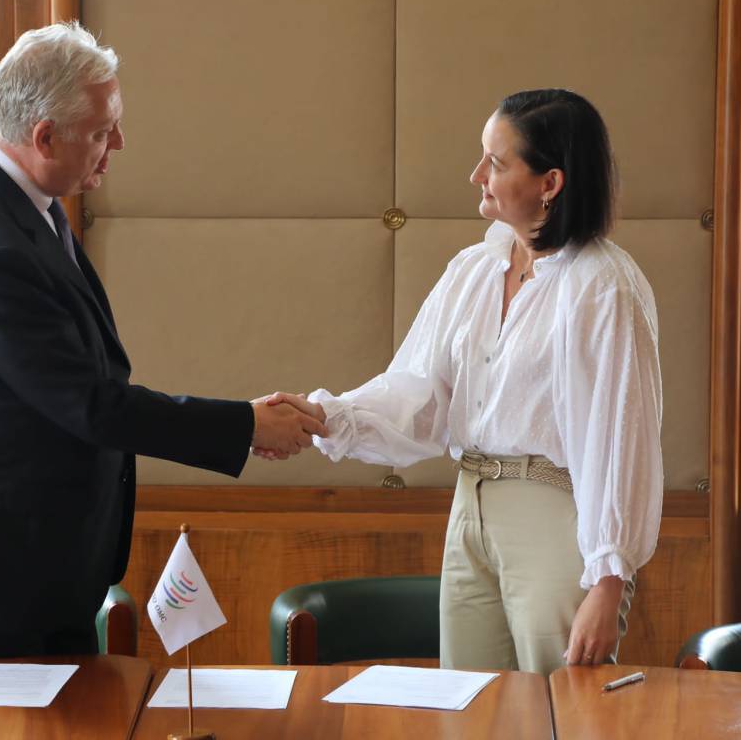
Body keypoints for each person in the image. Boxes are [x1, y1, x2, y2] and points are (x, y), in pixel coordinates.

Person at [0, 22, 325, 660]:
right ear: (44, 136)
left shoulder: (17, 196)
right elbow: (88, 403)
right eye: (101, 130)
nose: (118, 142)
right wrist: (245, 425)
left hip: (28, 550)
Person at [260, 89, 663, 676]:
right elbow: (420, 393)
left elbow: (622, 437)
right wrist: (327, 417)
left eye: (497, 164)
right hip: (470, 506)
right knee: (469, 707)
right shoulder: (475, 270)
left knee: (561, 713)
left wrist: (608, 579)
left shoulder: (604, 286)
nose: (477, 175)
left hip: (557, 517)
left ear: (550, 183)